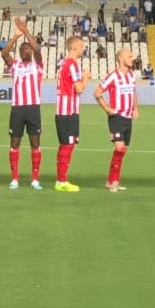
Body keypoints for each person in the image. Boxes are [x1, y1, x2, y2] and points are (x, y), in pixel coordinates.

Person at [0, 21, 44, 190]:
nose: (24, 51)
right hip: (17, 109)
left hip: (33, 108)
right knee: (14, 143)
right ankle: (15, 179)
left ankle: (35, 179)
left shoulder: (37, 65)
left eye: (27, 48)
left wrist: (25, 31)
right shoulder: (15, 67)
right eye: (21, 49)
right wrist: (15, 37)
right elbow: (4, 53)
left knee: (35, 143)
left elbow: (38, 49)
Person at [95, 48, 139, 193]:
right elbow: (97, 93)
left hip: (128, 118)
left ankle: (113, 180)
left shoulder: (132, 75)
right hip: (116, 118)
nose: (132, 58)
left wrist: (135, 109)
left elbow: (133, 93)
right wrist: (107, 109)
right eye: (129, 56)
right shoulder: (113, 76)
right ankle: (112, 182)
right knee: (119, 148)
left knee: (123, 150)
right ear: (121, 59)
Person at [55, 37, 91, 192]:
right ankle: (62, 181)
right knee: (68, 145)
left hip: (66, 111)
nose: (84, 48)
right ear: (74, 47)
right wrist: (86, 78)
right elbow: (79, 89)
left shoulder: (65, 64)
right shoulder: (72, 65)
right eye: (82, 46)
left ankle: (61, 179)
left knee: (66, 145)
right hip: (68, 111)